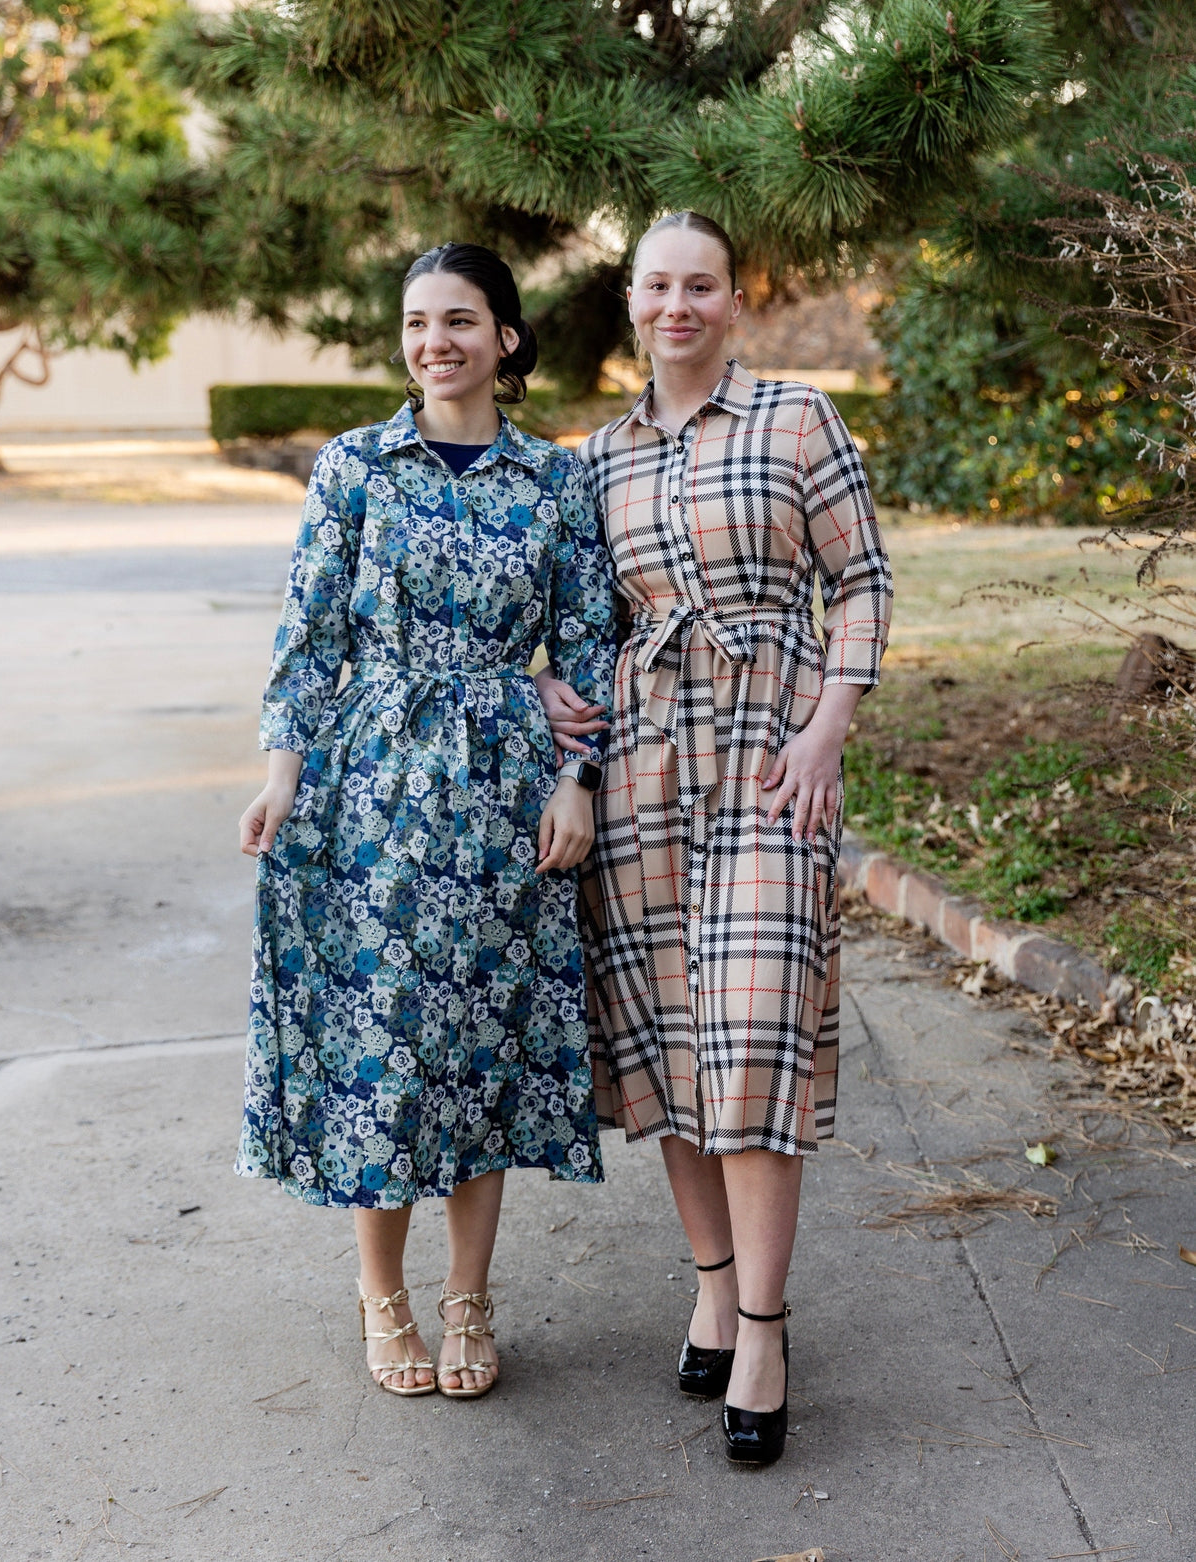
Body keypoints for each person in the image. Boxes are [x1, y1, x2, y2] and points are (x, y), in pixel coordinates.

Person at [538, 211, 893, 1463]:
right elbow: (572, 620)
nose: (677, 306)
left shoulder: (797, 420)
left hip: (768, 762)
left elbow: (862, 581)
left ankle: (763, 1326)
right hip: (641, 768)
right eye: (657, 286)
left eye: (701, 286)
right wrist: (549, 698)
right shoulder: (594, 460)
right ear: (630, 301)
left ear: (735, 302)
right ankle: (710, 1280)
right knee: (669, 1049)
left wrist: (826, 729)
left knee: (747, 1044)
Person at [237, 242, 616, 1400]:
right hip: (374, 791)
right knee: (384, 1043)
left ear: (505, 336)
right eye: (415, 322)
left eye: (457, 319)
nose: (433, 341)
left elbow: (586, 643)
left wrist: (576, 779)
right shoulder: (354, 466)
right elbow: (308, 636)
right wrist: (280, 775)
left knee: (477, 1044)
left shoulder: (553, 480)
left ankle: (468, 1296)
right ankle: (381, 1295)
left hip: (506, 790)